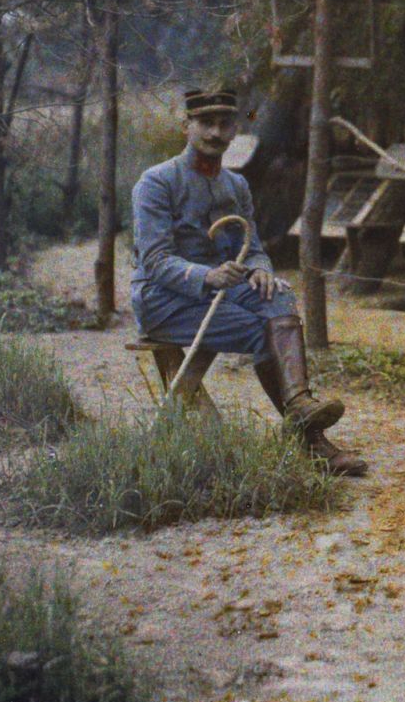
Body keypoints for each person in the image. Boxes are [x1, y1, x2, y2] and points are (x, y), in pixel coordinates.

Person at [130, 88, 366, 477]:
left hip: (221, 291)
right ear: (186, 126)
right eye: (205, 123)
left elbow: (252, 246)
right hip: (165, 300)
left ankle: (300, 402)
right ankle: (311, 442)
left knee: (278, 298)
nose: (215, 133)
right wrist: (206, 275)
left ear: (235, 128)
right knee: (262, 330)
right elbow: (154, 261)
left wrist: (260, 270)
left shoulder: (235, 186)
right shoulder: (156, 182)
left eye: (224, 124)